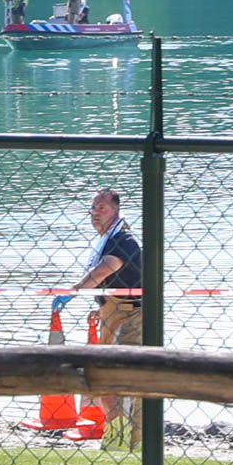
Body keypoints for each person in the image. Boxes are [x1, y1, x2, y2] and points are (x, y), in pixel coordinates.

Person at [60, 188, 145, 448]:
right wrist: (102, 305)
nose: (96, 213)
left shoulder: (123, 240)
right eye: (94, 208)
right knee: (105, 375)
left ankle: (130, 438)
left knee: (123, 375)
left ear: (116, 211)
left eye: (102, 208)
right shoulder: (108, 239)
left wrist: (73, 291)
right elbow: (119, 280)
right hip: (113, 311)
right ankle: (117, 433)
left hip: (130, 315)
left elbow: (104, 270)